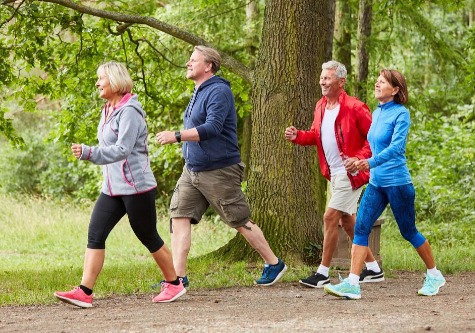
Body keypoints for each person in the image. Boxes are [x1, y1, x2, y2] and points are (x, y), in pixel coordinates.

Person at [54, 61, 186, 308]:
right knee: (96, 233)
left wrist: (89, 152)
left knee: (147, 235)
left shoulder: (130, 112)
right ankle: (84, 291)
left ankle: (175, 284)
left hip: (136, 187)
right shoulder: (108, 109)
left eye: (101, 78)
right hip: (112, 188)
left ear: (115, 81)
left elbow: (122, 149)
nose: (97, 83)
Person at [155, 46, 287, 287]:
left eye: (193, 60)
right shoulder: (198, 90)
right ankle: (177, 279)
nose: (188, 63)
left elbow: (212, 128)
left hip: (219, 170)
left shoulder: (219, 91)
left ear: (208, 66)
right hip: (192, 169)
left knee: (238, 219)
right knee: (179, 216)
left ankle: (274, 263)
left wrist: (177, 135)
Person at [325, 69, 446, 299]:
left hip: (397, 183)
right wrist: (358, 161)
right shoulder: (377, 113)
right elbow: (373, 146)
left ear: (396, 89)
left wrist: (369, 162)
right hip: (376, 183)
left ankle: (434, 274)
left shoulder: (401, 114)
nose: (377, 84)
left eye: (383, 82)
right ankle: (352, 283)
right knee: (361, 227)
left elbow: (396, 148)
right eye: (377, 81)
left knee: (408, 231)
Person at [284, 60, 383, 288]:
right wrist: (298, 136)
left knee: (330, 217)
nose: (322, 81)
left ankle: (322, 272)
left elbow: (374, 139)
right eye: (322, 77)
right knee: (348, 223)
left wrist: (359, 159)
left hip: (352, 175)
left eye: (327, 78)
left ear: (341, 81)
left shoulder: (355, 107)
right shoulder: (320, 106)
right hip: (334, 175)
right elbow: (316, 135)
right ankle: (374, 269)